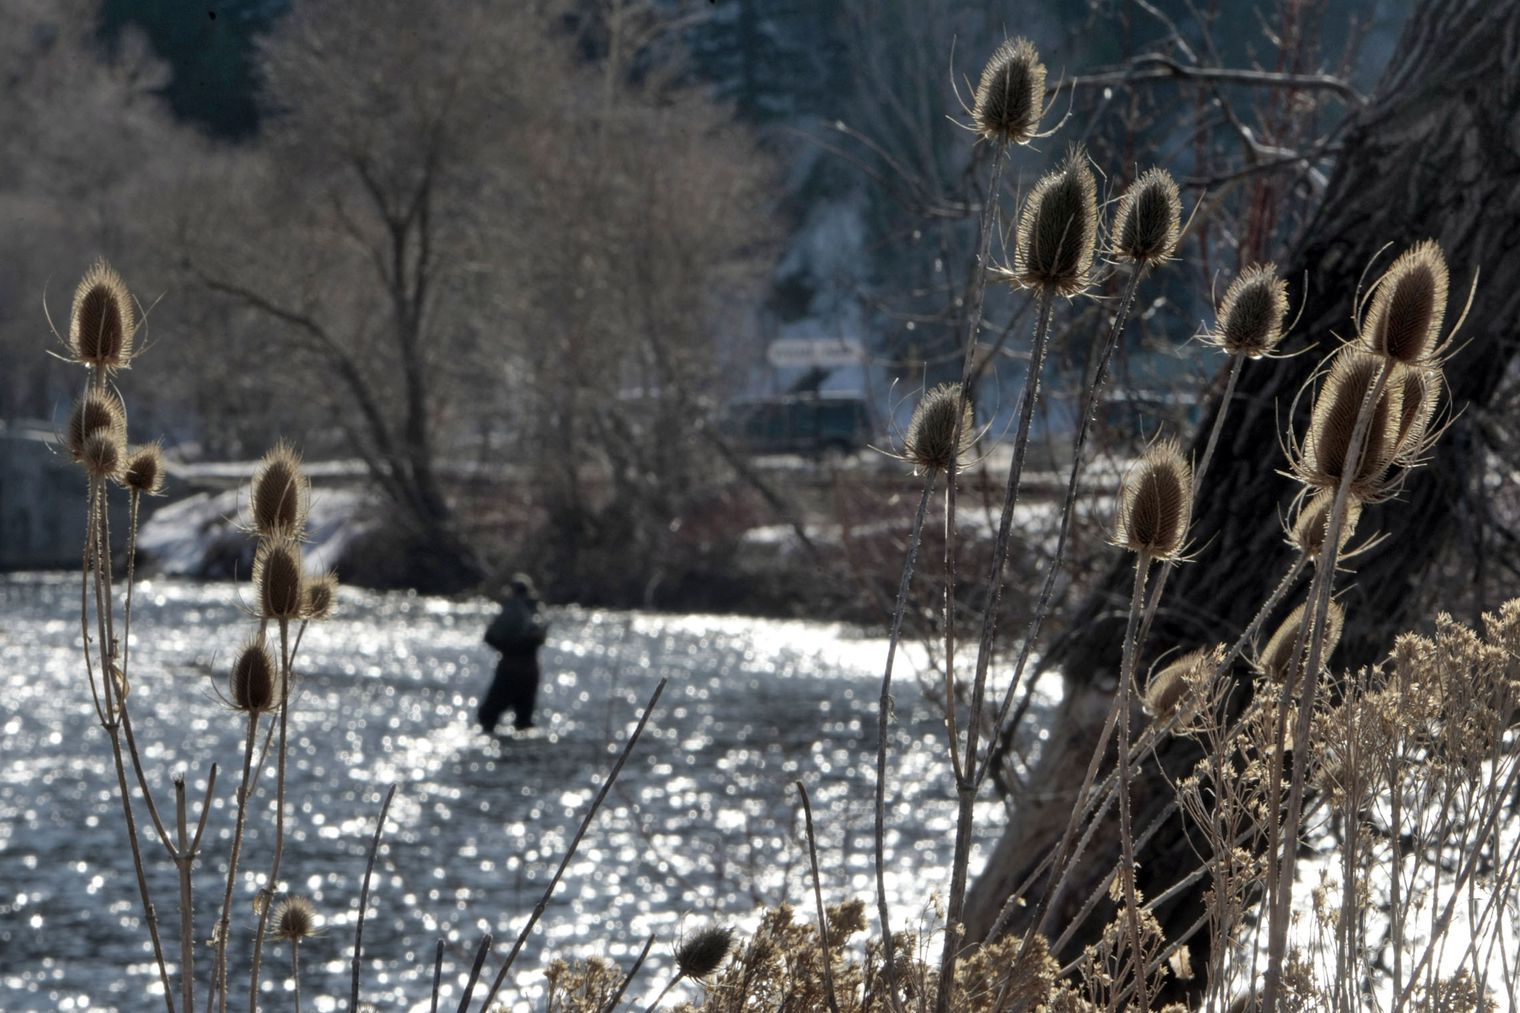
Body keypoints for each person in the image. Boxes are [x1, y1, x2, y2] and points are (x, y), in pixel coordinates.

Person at [478, 573, 548, 732]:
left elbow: (489, 637)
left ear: (512, 591)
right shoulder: (538, 610)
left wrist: (508, 648)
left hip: (509, 670)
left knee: (487, 716)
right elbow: (541, 637)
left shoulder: (511, 608)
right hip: (531, 672)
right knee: (524, 722)